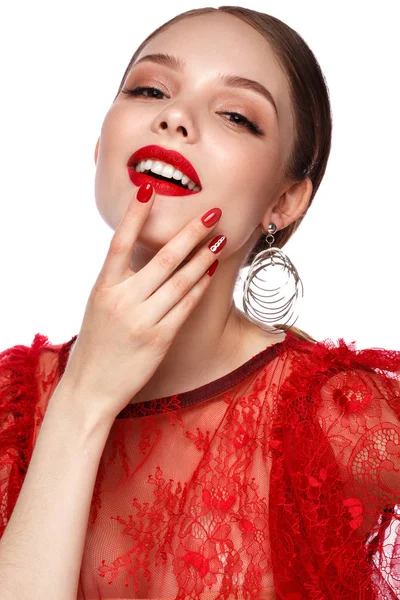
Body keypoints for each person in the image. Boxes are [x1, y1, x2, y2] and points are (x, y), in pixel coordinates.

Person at [0, 6, 399, 600]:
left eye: (236, 115)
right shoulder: (12, 411)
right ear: (99, 144)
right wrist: (81, 400)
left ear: (286, 202)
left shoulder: (343, 420)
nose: (175, 117)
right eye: (149, 89)